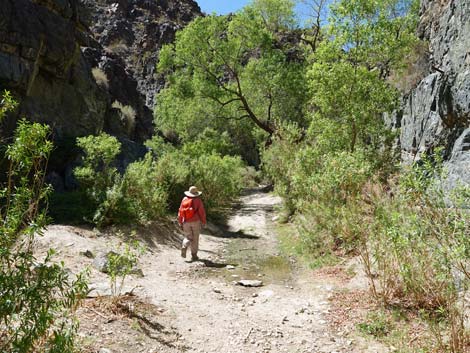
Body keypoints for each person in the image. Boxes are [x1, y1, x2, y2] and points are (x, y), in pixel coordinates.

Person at [178, 186, 206, 261]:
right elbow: (201, 212)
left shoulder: (184, 199)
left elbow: (180, 211)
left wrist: (180, 222)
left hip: (186, 221)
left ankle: (184, 245)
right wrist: (203, 221)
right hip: (195, 221)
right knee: (195, 239)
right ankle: (194, 255)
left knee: (188, 237)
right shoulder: (198, 200)